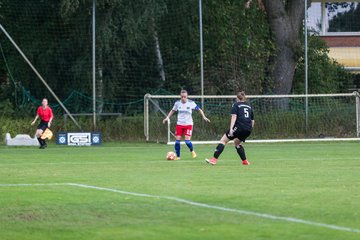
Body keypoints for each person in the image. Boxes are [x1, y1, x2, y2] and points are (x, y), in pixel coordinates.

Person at [206, 91, 254, 165]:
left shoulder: (236, 105)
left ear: (237, 98)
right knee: (237, 143)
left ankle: (214, 159)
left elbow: (234, 117)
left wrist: (231, 128)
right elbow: (252, 121)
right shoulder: (249, 106)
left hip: (239, 127)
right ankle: (245, 161)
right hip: (248, 129)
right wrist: (249, 130)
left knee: (223, 141)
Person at [163, 90, 210, 160]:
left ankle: (192, 151)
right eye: (182, 97)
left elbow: (199, 109)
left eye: (184, 97)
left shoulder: (191, 103)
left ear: (187, 96)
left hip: (188, 124)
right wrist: (167, 118)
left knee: (187, 141)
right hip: (179, 124)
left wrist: (204, 117)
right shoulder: (177, 103)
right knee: (177, 142)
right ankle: (178, 156)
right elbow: (172, 110)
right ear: (180, 97)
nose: (183, 98)